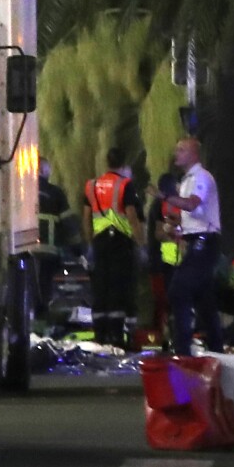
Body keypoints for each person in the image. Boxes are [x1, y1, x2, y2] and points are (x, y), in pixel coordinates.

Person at [148, 136, 223, 356]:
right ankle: (217, 349)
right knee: (204, 298)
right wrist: (177, 225)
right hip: (195, 241)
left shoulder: (201, 177)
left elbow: (191, 204)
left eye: (181, 150)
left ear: (193, 154)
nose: (176, 154)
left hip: (205, 242)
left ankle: (183, 351)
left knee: (178, 291)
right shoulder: (187, 180)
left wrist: (164, 196)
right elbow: (194, 215)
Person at [82, 148, 146, 349]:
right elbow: (132, 217)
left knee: (100, 287)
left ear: (106, 162)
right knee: (119, 288)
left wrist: (90, 242)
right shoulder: (125, 185)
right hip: (121, 243)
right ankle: (117, 337)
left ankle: (100, 334)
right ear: (123, 164)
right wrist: (141, 244)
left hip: (100, 242)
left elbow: (86, 218)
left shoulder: (91, 186)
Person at [34, 156, 81, 317]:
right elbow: (69, 224)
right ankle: (43, 313)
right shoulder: (55, 193)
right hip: (48, 251)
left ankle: (32, 315)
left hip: (24, 250)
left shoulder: (21, 190)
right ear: (44, 170)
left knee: (30, 284)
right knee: (45, 285)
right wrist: (78, 248)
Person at [145, 172, 182, 339]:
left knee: (166, 302)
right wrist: (177, 238)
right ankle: (160, 337)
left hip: (165, 261)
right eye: (176, 185)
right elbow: (159, 234)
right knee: (163, 301)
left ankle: (164, 336)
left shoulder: (161, 205)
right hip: (161, 262)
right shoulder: (160, 205)